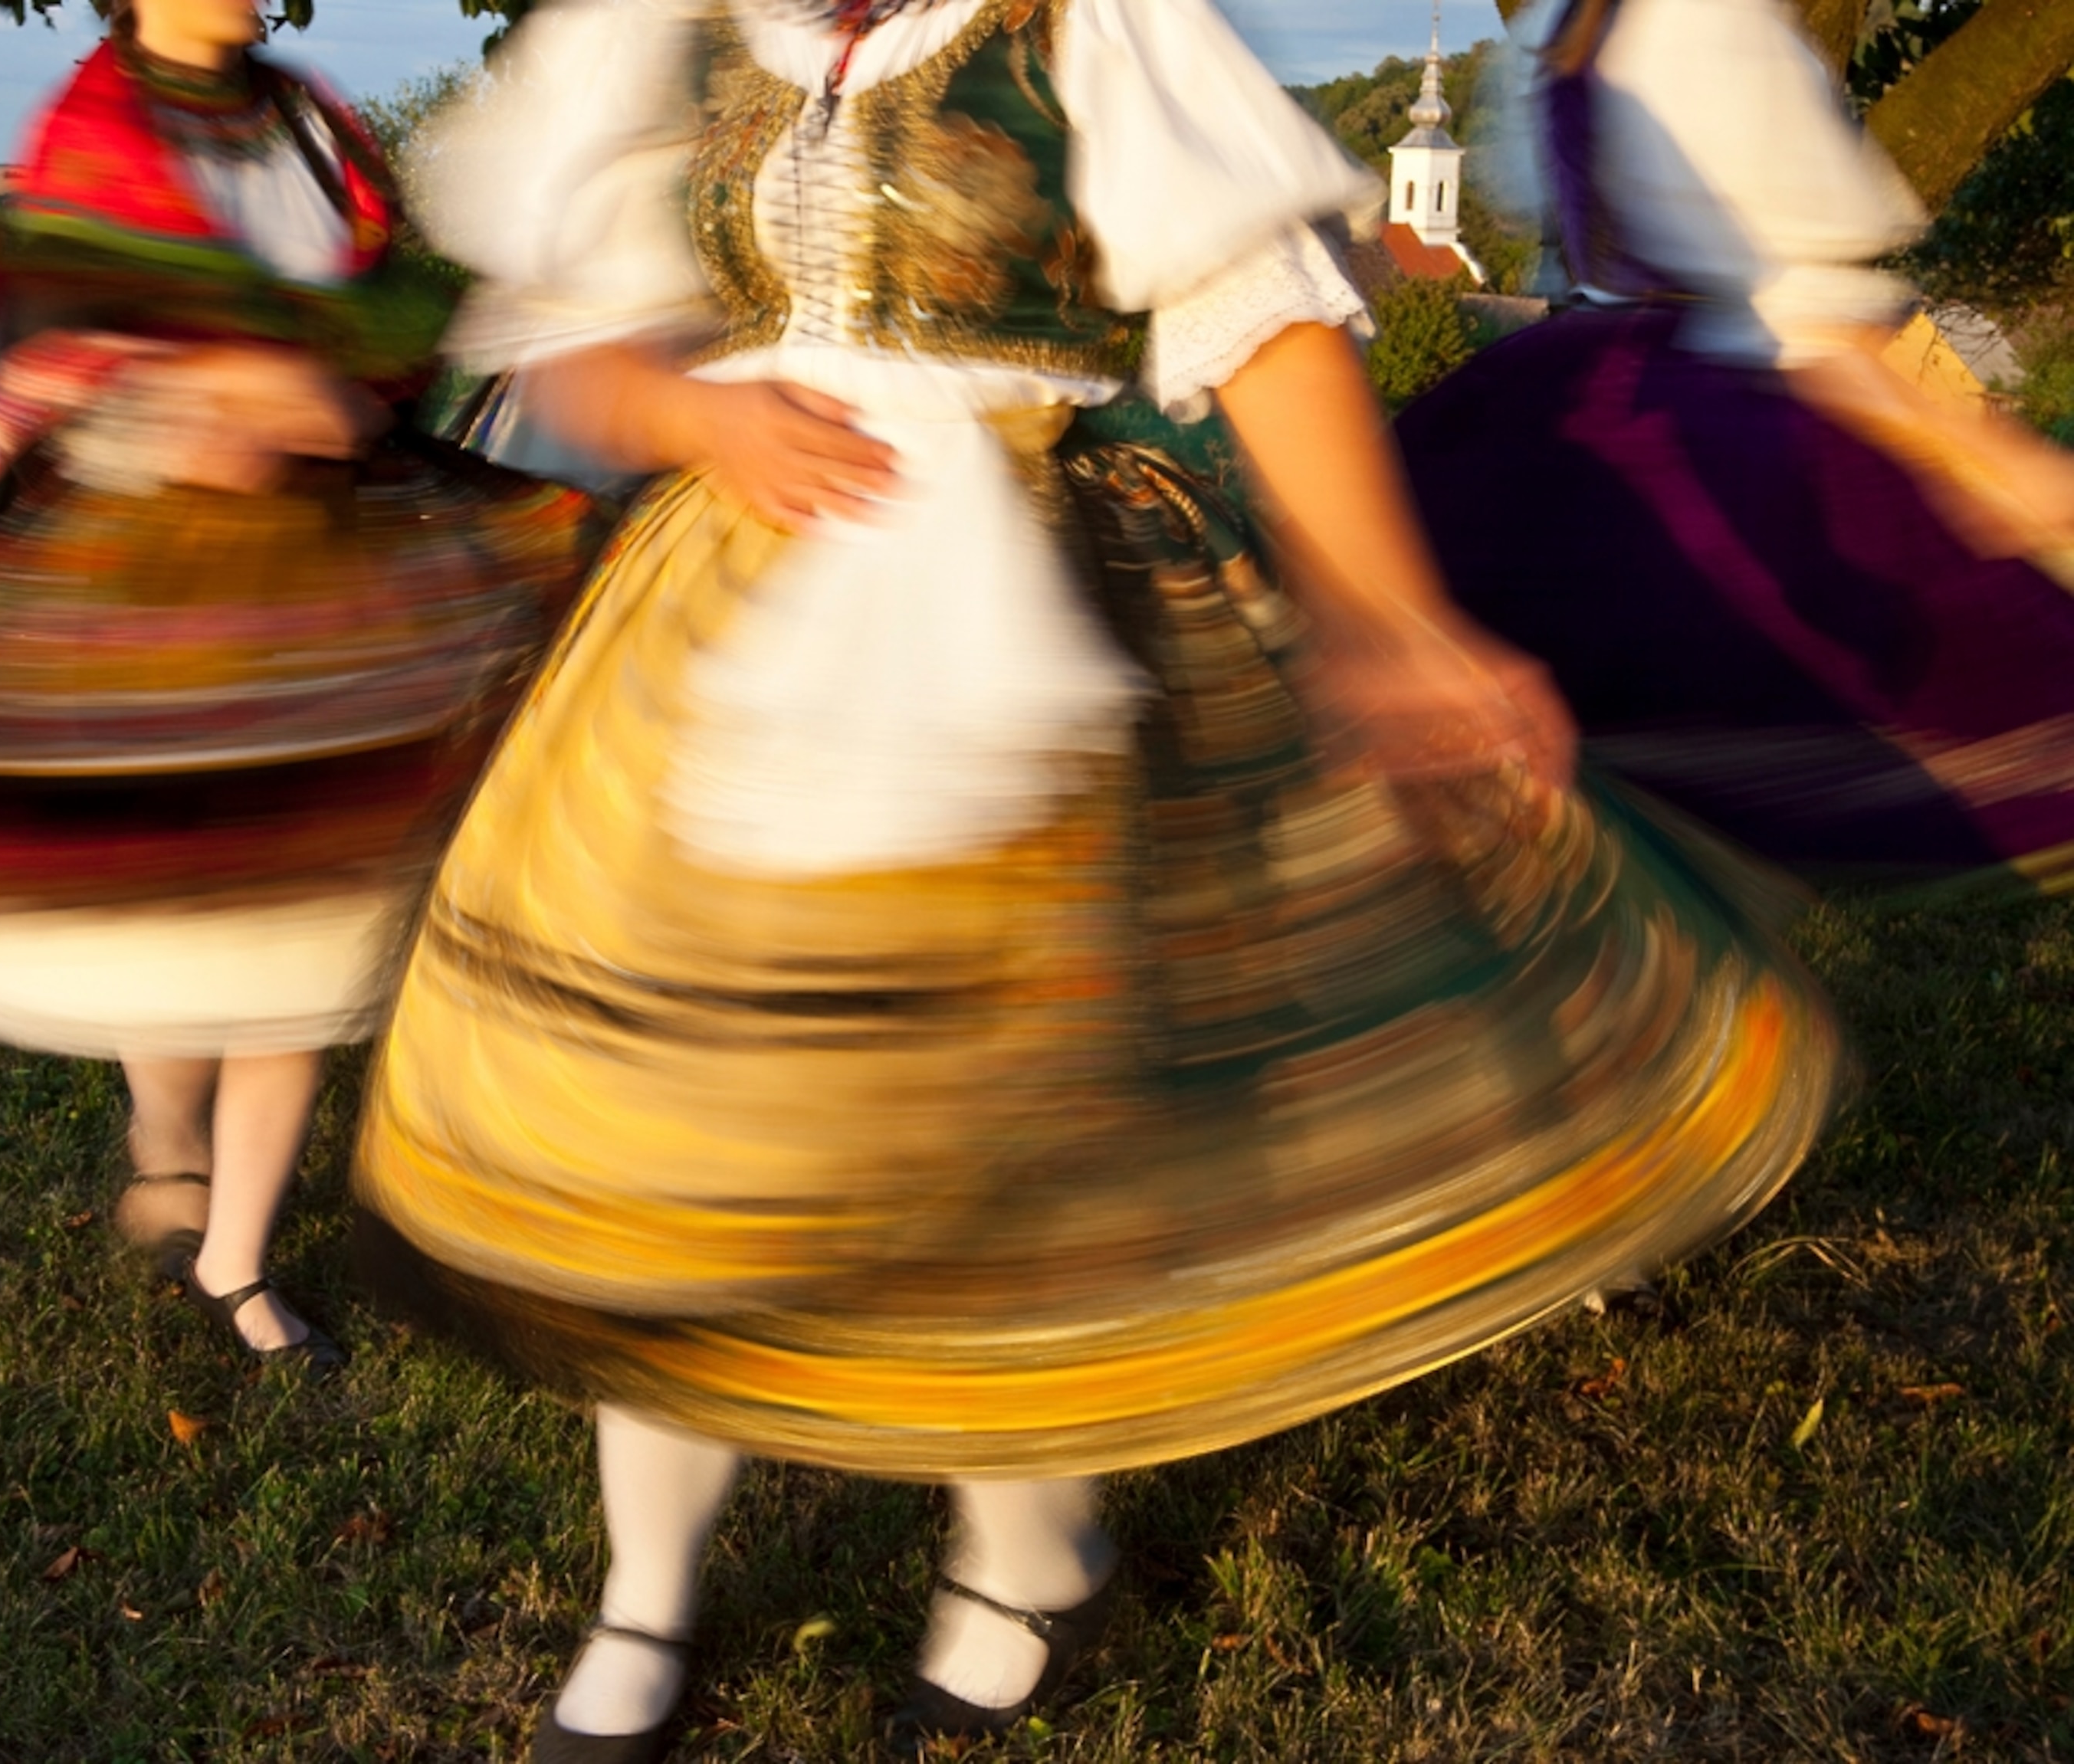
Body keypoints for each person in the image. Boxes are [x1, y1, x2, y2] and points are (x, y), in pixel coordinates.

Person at [350, 0, 1842, 1754]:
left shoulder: (1083, 21)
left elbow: (1260, 319)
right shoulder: (669, 35)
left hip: (1033, 605)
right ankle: (644, 1584)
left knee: (1008, 1113)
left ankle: (1019, 1540)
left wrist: (1387, 621)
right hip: (723, 619)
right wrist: (694, 414)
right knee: (646, 1113)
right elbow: (572, 334)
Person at [0, 0, 592, 1374]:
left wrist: (348, 382)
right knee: (165, 892)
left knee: (304, 935)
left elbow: (379, 310)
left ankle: (234, 1253)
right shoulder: (96, 134)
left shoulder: (307, 120)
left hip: (322, 573)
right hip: (149, 573)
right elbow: (65, 343)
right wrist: (214, 399)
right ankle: (164, 1132)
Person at [1396, 0, 2074, 891]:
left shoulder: (1557, 29)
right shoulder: (1711, 19)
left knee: (1579, 803)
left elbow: (1562, 231)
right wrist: (1982, 455)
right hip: (1723, 421)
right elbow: (1811, 314)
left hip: (1563, 410)